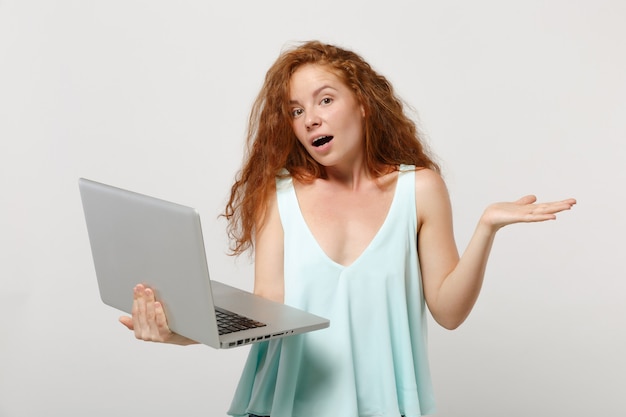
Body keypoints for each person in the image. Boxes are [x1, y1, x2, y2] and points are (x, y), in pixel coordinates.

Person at [119, 41, 576, 416]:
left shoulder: (419, 190)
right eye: (296, 111)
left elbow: (450, 312)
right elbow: (266, 314)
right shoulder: (276, 195)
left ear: (362, 104)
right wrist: (175, 330)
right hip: (281, 406)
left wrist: (486, 230)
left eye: (325, 99)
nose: (310, 119)